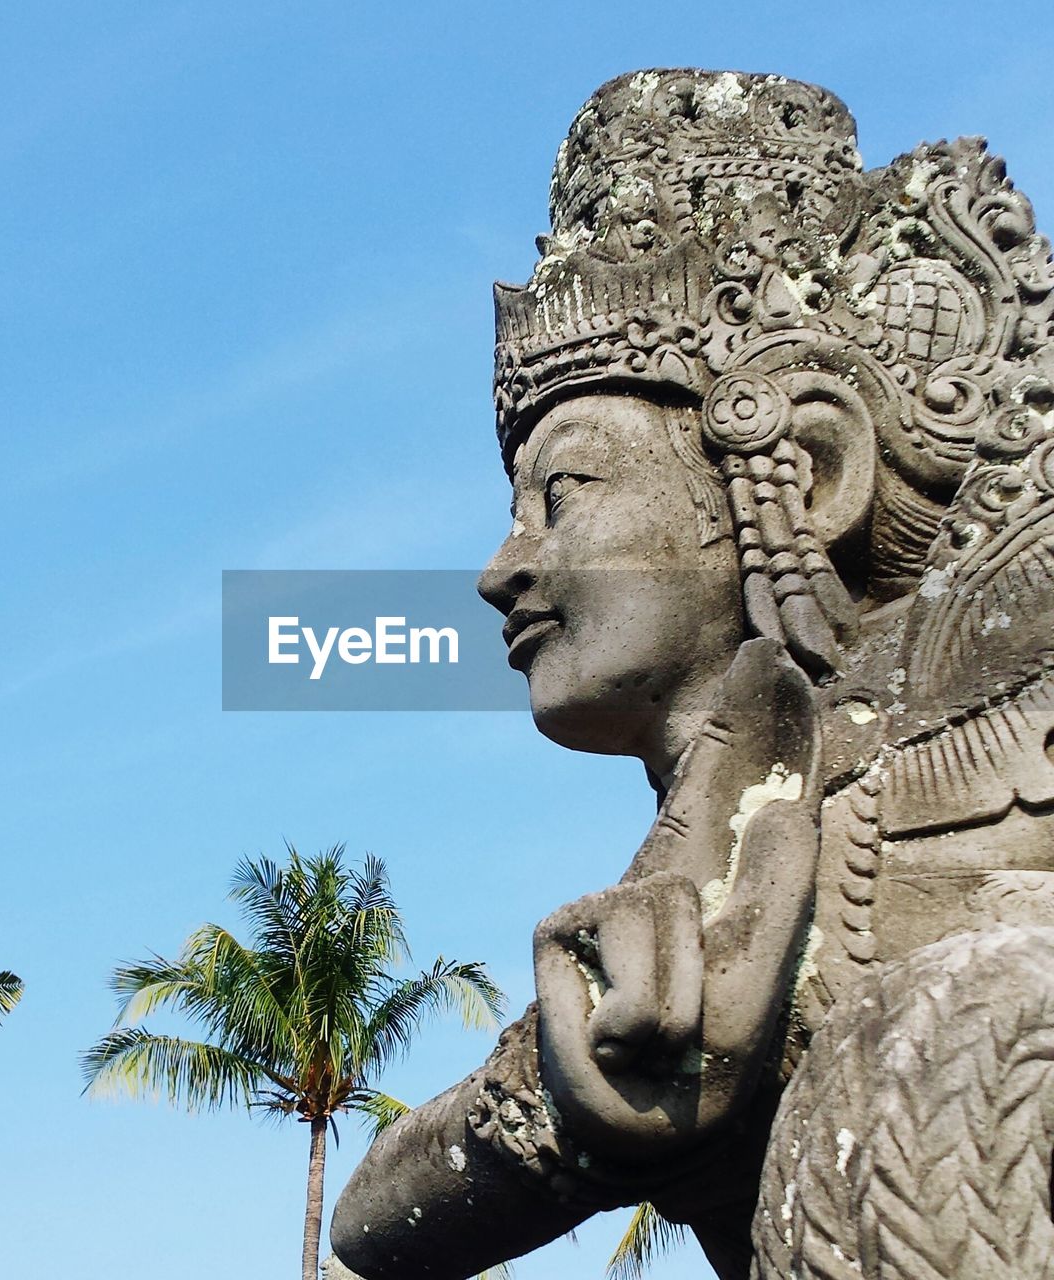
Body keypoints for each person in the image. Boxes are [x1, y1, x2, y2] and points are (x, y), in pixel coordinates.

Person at [333, 68, 1054, 1280]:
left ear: (807, 473)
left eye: (561, 493)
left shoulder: (983, 752)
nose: (500, 569)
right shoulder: (721, 832)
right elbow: (368, 1219)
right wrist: (588, 1094)